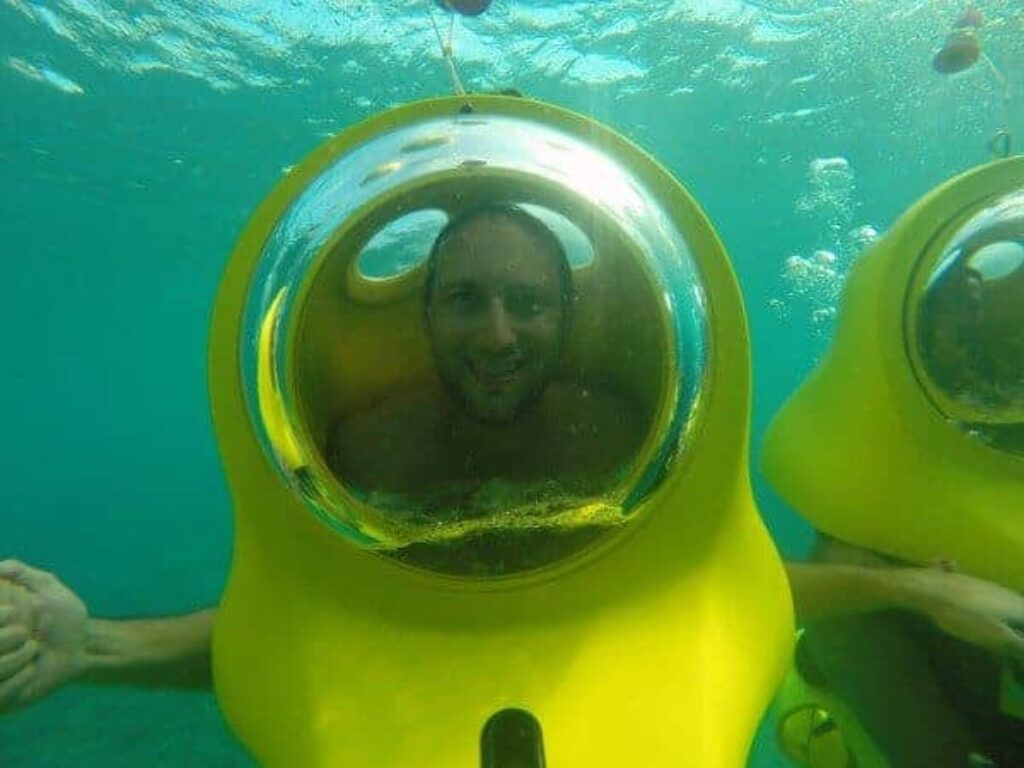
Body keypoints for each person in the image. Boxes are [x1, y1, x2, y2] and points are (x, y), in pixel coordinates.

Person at [0, 202, 647, 711]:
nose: (496, 334)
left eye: (528, 303)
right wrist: (87, 645)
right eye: (465, 300)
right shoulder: (371, 455)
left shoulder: (624, 440)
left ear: (568, 314)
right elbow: (309, 623)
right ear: (425, 314)